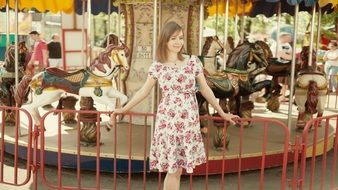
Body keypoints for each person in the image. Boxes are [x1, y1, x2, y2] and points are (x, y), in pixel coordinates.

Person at [110, 21, 239, 190]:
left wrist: (222, 112)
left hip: (188, 121)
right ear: (165, 40)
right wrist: (123, 109)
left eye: (180, 38)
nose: (178, 42)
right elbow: (144, 91)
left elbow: (206, 89)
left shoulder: (193, 61)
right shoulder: (157, 65)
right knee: (173, 168)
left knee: (177, 170)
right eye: (173, 38)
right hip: (168, 121)